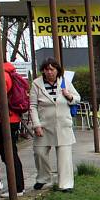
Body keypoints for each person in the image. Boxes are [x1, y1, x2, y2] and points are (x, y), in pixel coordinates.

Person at [29, 58, 81, 192]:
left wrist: (69, 96)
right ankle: (44, 178)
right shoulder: (36, 84)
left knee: (64, 155)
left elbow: (77, 98)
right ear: (43, 71)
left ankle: (65, 184)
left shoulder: (64, 82)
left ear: (57, 70)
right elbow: (33, 106)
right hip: (44, 124)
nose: (50, 72)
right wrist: (36, 125)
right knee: (39, 152)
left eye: (52, 69)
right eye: (47, 69)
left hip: (63, 124)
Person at [0, 50, 25, 197]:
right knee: (9, 152)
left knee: (8, 153)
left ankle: (16, 187)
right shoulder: (8, 72)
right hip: (12, 117)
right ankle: (17, 186)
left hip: (6, 119)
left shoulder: (0, 75)